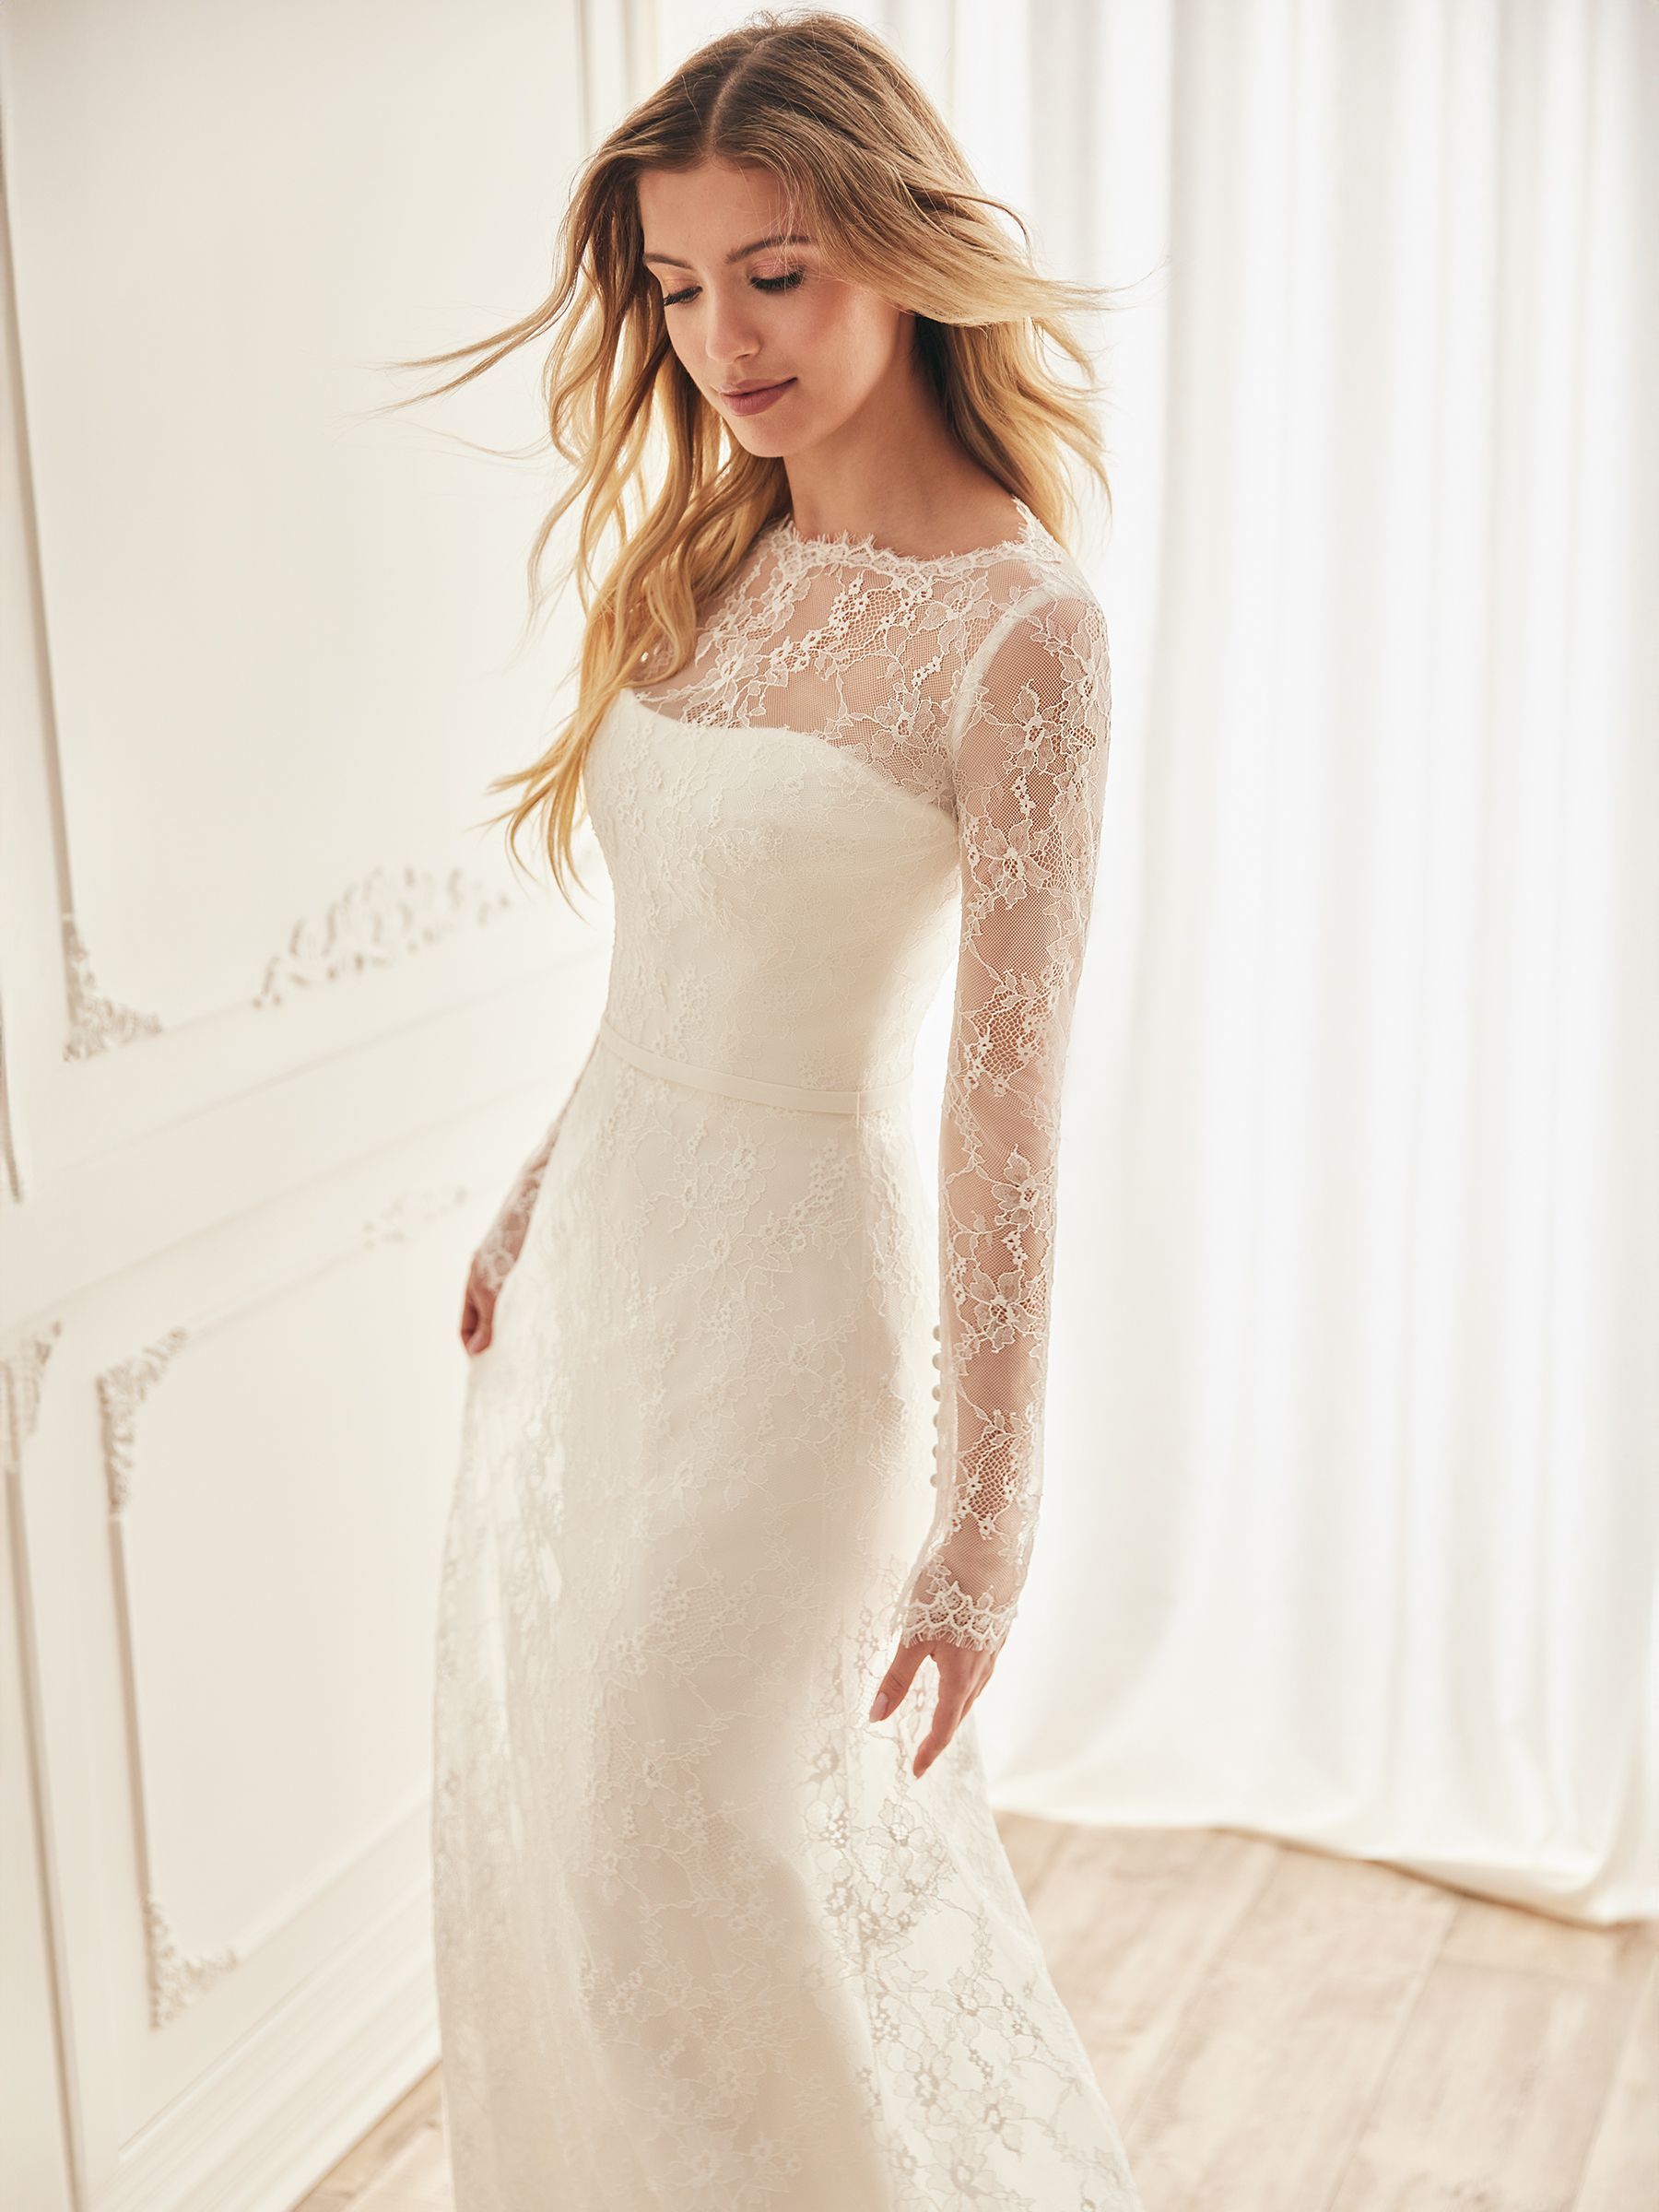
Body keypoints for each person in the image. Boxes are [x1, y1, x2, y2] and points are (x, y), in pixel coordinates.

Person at [398, 11, 1142, 2206]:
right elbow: (675, 971)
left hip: (802, 1331)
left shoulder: (1023, 635)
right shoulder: (705, 563)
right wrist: (537, 1196)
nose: (724, 338)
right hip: (610, 1281)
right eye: (677, 287)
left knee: (679, 1839)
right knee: (578, 1835)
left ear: (901, 245)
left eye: (777, 272)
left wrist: (987, 1521)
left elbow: (1008, 1116)